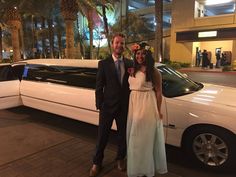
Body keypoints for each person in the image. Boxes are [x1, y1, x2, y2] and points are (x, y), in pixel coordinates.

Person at [89, 33, 133, 177]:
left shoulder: (129, 64)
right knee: (102, 136)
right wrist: (100, 104)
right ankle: (97, 162)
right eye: (117, 43)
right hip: (107, 107)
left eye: (122, 43)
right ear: (112, 44)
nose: (119, 45)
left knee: (122, 136)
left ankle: (120, 159)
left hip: (123, 107)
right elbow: (99, 86)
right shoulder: (104, 63)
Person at [127, 42, 168, 177]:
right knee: (134, 140)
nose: (140, 56)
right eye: (138, 53)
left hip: (147, 106)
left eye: (143, 53)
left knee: (143, 141)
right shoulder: (133, 69)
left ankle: (145, 170)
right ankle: (137, 168)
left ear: (148, 55)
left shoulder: (154, 71)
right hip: (134, 105)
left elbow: (158, 92)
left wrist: (159, 110)